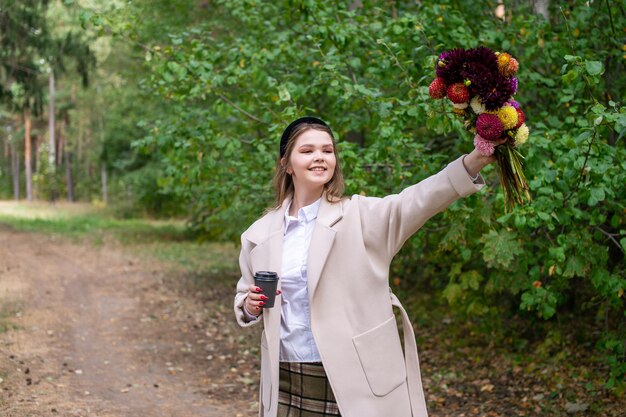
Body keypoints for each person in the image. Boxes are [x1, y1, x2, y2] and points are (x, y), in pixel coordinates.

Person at [234, 116, 499, 417]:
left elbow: (418, 200)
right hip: (284, 374)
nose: (320, 157)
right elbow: (244, 297)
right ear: (287, 164)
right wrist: (250, 306)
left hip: (352, 376)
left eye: (327, 150)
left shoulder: (360, 217)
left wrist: (476, 159)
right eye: (307, 151)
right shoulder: (259, 234)